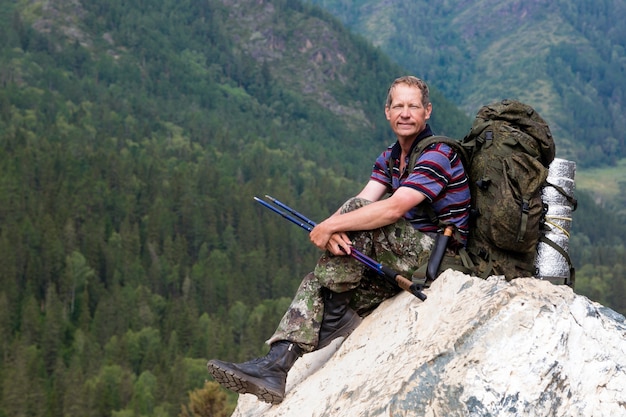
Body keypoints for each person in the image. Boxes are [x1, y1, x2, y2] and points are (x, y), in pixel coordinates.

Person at [207, 76, 471, 405]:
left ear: (427, 111)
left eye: (413, 106)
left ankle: (333, 318)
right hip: (405, 256)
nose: (405, 113)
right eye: (398, 106)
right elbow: (365, 196)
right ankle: (276, 366)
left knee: (357, 214)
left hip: (439, 255)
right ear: (387, 112)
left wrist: (329, 227)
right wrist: (331, 229)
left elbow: (391, 208)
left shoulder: (438, 153)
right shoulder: (391, 157)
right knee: (316, 281)